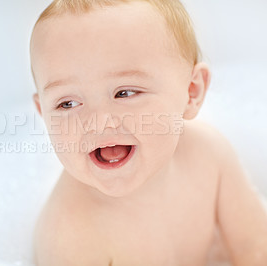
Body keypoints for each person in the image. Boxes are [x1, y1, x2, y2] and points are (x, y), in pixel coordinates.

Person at [29, 0, 267, 265]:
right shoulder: (69, 235)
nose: (98, 123)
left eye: (125, 92)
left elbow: (255, 248)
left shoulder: (209, 155)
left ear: (191, 92)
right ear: (43, 113)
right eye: (67, 104)